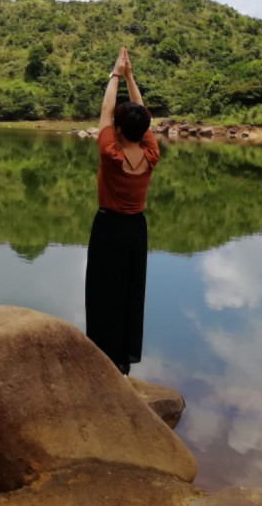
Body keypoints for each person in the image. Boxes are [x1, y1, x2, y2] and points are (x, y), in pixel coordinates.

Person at [85, 47, 160, 376]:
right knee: (130, 290)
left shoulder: (110, 153)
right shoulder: (151, 154)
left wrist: (116, 74)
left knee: (103, 290)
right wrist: (130, 77)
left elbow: (106, 109)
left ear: (117, 128)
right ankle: (124, 359)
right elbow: (140, 114)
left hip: (108, 228)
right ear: (144, 131)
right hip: (135, 230)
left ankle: (102, 355)